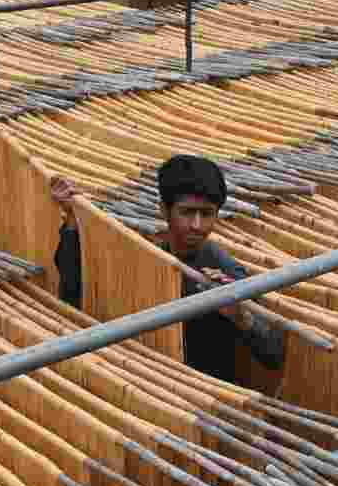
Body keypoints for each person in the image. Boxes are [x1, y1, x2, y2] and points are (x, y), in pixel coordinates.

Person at [51, 155, 284, 385]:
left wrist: (241, 316)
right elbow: (74, 295)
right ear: (164, 210)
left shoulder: (225, 272)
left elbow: (274, 355)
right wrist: (72, 219)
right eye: (187, 212)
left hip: (203, 395)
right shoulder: (144, 257)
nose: (197, 225)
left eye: (207, 214)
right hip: (139, 382)